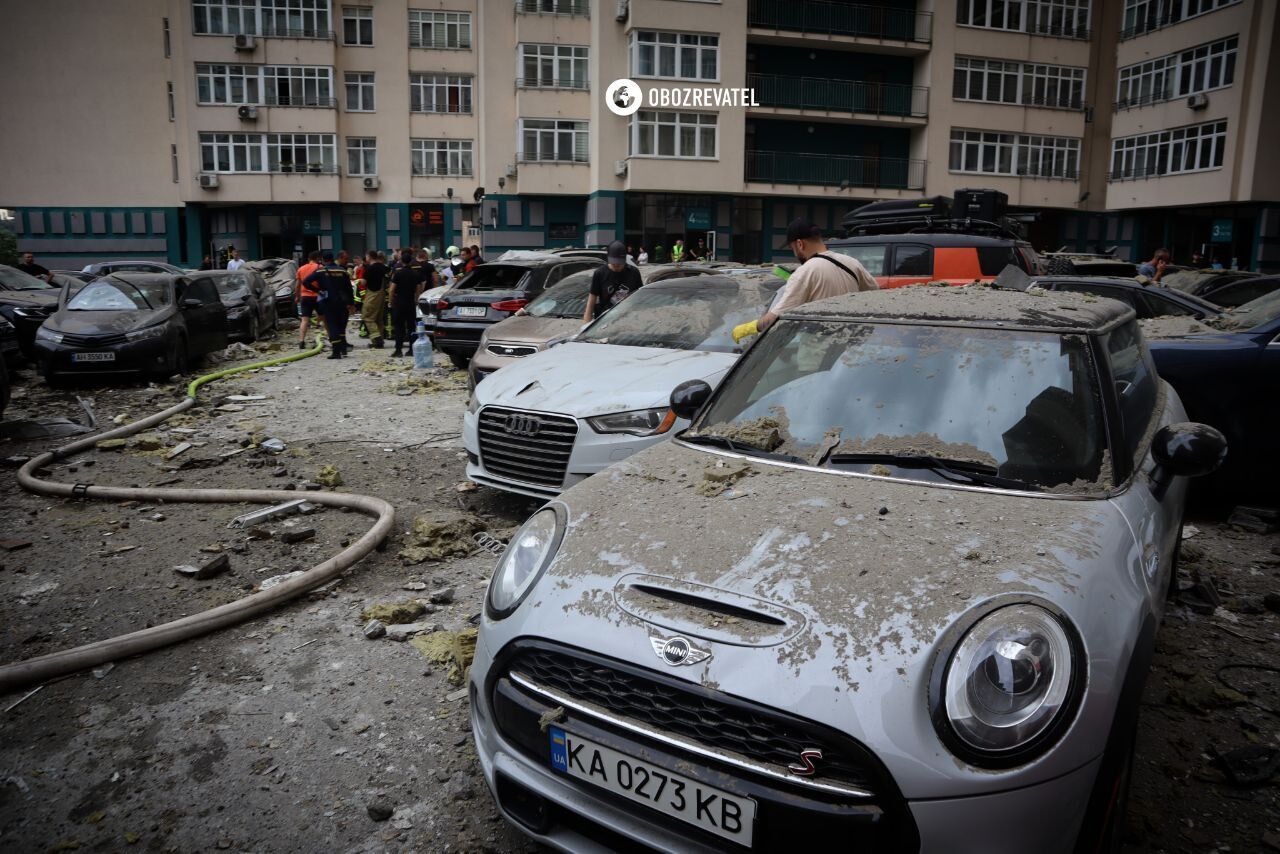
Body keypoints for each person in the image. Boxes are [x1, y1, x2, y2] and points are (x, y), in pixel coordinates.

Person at [732, 218, 878, 343]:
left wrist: (748, 328)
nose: (794, 253)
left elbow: (776, 318)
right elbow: (875, 295)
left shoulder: (805, 272)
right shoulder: (852, 263)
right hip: (848, 344)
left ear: (800, 244)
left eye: (792, 248)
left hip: (816, 347)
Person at [302, 251, 355, 359]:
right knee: (341, 325)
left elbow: (306, 282)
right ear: (333, 258)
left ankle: (336, 352)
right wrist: (351, 303)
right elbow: (349, 288)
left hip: (328, 301)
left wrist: (318, 290)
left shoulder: (320, 271)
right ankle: (343, 349)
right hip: (342, 301)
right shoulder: (342, 271)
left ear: (323, 260)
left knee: (332, 324)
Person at [583, 241, 644, 322]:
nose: (617, 266)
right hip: (604, 320)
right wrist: (586, 323)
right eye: (614, 263)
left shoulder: (633, 272)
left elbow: (640, 297)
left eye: (619, 263)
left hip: (627, 318)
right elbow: (591, 299)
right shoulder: (600, 273)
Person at [388, 249, 425, 357]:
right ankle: (411, 350)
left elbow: (391, 290)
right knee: (411, 327)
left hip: (399, 303)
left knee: (399, 327)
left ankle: (398, 350)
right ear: (410, 261)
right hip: (410, 303)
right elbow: (419, 288)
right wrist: (416, 300)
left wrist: (391, 302)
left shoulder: (398, 273)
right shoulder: (415, 274)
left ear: (402, 261)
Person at [359, 251, 389, 349]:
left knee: (367, 316)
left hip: (372, 294)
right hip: (382, 295)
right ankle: (379, 341)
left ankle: (377, 340)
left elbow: (363, 283)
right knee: (378, 319)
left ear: (369, 257)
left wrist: (358, 281)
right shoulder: (383, 267)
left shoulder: (370, 269)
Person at [294, 250, 323, 348]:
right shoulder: (320, 267)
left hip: (305, 297)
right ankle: (330, 337)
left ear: (308, 259)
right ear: (317, 258)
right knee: (324, 316)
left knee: (304, 320)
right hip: (318, 296)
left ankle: (301, 341)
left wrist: (297, 296)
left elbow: (297, 285)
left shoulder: (301, 269)